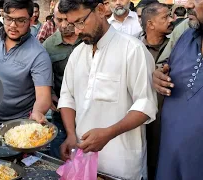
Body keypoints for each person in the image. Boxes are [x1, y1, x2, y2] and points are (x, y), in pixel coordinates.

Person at [57, 0, 157, 179]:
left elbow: (145, 105)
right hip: (83, 161)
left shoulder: (132, 50)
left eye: (80, 22)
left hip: (121, 164)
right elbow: (67, 97)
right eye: (71, 24)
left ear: (101, 10)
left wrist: (108, 134)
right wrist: (71, 134)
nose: (77, 31)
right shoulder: (77, 54)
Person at [0, 0, 52, 123]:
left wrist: (38, 112)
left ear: (30, 21)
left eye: (20, 20)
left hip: (16, 124)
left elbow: (43, 96)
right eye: (9, 19)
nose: (13, 25)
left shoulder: (38, 54)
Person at [153, 0, 203, 179]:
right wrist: (158, 75)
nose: (188, 4)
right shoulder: (186, 35)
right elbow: (166, 67)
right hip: (169, 159)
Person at [138, 3, 173, 180]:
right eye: (165, 17)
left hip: (168, 122)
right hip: (141, 122)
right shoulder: (134, 48)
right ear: (150, 24)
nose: (171, 20)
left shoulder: (177, 46)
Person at [42, 2, 81, 159]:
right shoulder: (48, 46)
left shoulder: (88, 39)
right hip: (61, 111)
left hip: (88, 110)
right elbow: (43, 75)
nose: (64, 25)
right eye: (59, 20)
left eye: (67, 19)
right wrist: (49, 94)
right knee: (59, 155)